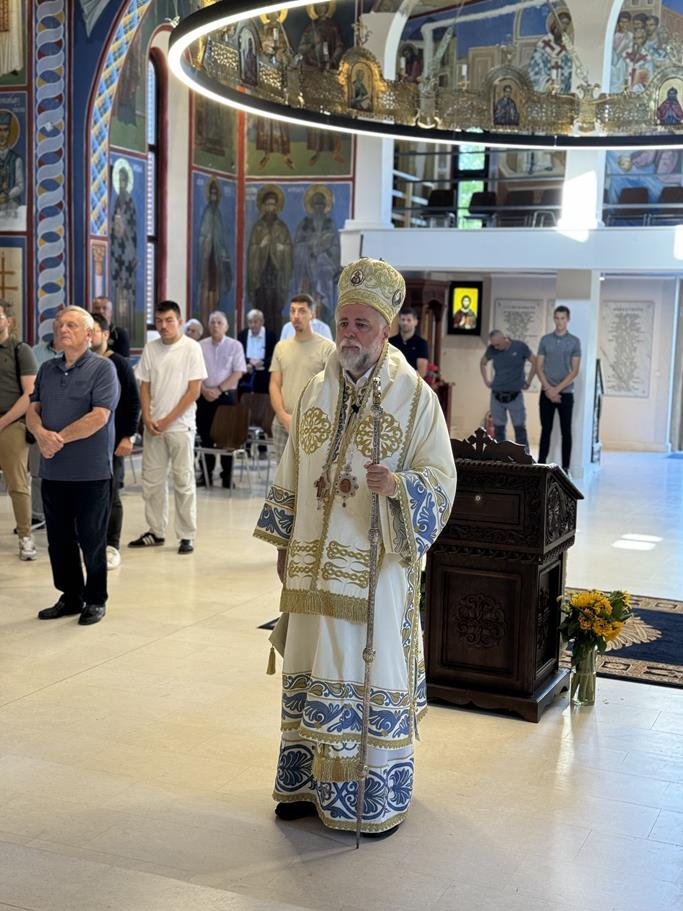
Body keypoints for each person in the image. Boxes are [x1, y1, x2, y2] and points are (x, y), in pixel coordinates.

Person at [254, 256, 457, 837]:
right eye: (344, 322)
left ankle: (371, 795)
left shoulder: (415, 399)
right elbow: (292, 468)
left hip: (375, 569)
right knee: (308, 662)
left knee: (365, 671)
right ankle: (304, 784)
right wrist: (282, 539)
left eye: (362, 324)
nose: (349, 334)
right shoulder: (315, 391)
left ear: (385, 329)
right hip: (312, 565)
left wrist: (398, 487)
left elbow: (442, 480)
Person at [27, 306, 119, 625]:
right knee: (59, 539)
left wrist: (58, 439)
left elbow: (100, 416)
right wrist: (41, 434)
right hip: (54, 471)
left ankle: (95, 599)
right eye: (59, 325)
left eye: (71, 325)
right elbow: (33, 408)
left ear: (89, 334)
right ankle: (70, 595)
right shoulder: (48, 369)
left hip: (90, 472)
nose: (63, 329)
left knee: (92, 539)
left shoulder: (103, 368)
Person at [129, 300, 207, 555]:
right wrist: (147, 418)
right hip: (153, 427)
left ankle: (186, 535)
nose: (163, 326)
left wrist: (167, 420)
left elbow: (193, 391)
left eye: (169, 320)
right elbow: (145, 386)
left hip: (180, 427)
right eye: (159, 321)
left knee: (183, 481)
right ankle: (156, 531)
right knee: (152, 482)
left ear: (180, 321)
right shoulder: (151, 348)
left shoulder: (192, 348)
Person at [90, 313, 141, 571]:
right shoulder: (82, 363)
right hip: (87, 440)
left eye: (93, 331)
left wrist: (127, 436)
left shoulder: (119, 363)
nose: (89, 336)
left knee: (111, 493)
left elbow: (133, 401)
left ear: (105, 335)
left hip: (113, 439)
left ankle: (111, 544)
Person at [269, 293, 335, 460]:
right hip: (283, 422)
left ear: (312, 314)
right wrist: (283, 416)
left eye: (302, 311)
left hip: (313, 423)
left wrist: (310, 419)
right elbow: (275, 384)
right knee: (282, 474)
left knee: (309, 473)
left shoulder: (327, 348)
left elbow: (332, 388)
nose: (296, 316)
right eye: (292, 311)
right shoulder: (281, 347)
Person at [0, 299, 38, 560]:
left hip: (11, 422)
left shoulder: (19, 350)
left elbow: (29, 393)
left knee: (17, 482)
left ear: (9, 321)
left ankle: (25, 537)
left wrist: (4, 421)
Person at [197, 310, 246, 487]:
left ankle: (227, 477)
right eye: (212, 322)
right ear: (208, 326)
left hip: (225, 397)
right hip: (204, 397)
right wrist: (204, 390)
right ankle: (205, 475)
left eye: (219, 323)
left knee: (227, 439)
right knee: (206, 437)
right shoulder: (200, 346)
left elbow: (238, 372)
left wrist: (218, 390)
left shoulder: (235, 346)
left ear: (226, 327)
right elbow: (194, 371)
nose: (215, 326)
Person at [536, 305, 581, 473]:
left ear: (568, 319)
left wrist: (557, 390)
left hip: (566, 393)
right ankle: (540, 465)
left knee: (566, 431)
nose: (559, 321)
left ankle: (566, 468)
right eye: (557, 318)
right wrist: (549, 389)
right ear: (554, 319)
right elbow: (539, 367)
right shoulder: (545, 340)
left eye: (563, 318)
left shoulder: (574, 341)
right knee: (545, 430)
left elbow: (574, 371)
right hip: (546, 392)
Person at [247, 187, 293, 334]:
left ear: (277, 206)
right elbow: (252, 249)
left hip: (276, 274)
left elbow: (288, 248)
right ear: (263, 206)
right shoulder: (258, 227)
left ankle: (276, 337)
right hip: (261, 274)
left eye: (273, 204)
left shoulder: (282, 227)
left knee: (275, 307)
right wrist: (260, 246)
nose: (270, 208)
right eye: (268, 204)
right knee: (262, 306)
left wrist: (282, 248)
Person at [292, 187, 341, 325]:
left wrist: (323, 253)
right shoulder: (304, 224)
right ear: (311, 206)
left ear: (325, 206)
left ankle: (322, 319)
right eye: (316, 204)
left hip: (324, 270)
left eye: (321, 204)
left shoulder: (330, 224)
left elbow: (335, 247)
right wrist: (309, 249)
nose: (318, 207)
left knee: (322, 296)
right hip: (307, 270)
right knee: (306, 296)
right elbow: (298, 246)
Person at [480, 330, 535, 450]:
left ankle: (524, 455)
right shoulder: (492, 349)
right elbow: (482, 363)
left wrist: (528, 382)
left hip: (515, 394)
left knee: (519, 428)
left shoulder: (520, 347)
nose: (496, 347)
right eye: (493, 345)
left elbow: (535, 362)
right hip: (497, 395)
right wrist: (486, 380)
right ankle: (500, 456)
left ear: (504, 338)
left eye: (498, 344)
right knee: (499, 429)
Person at [197, 179, 232, 327]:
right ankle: (205, 325)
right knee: (206, 291)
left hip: (216, 260)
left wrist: (222, 251)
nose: (213, 197)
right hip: (207, 259)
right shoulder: (207, 212)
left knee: (215, 293)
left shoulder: (217, 214)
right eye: (211, 194)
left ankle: (213, 320)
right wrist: (207, 242)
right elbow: (203, 235)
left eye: (215, 194)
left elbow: (220, 238)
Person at [109, 163, 137, 342]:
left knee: (126, 291)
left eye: (123, 181)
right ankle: (117, 327)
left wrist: (123, 227)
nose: (121, 184)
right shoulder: (116, 201)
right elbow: (113, 229)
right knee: (117, 290)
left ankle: (127, 330)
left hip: (127, 254)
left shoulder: (129, 202)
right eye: (118, 181)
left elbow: (132, 230)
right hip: (116, 254)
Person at [527, 7, 573, 94]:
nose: (564, 27)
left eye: (567, 24)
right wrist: (547, 84)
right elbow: (534, 72)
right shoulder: (543, 44)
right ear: (554, 23)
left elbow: (569, 71)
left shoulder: (567, 48)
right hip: (545, 92)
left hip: (562, 94)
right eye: (562, 23)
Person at [238, 308, 277, 395]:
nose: (252, 325)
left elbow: (274, 356)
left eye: (255, 322)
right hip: (246, 374)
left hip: (265, 375)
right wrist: (248, 362)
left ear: (262, 322)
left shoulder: (270, 335)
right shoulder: (242, 335)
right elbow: (238, 355)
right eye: (250, 322)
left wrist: (263, 362)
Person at [297, 3, 345, 70]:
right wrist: (312, 44)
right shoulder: (310, 27)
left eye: (322, 6)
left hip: (329, 66)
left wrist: (333, 60)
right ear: (314, 8)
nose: (320, 8)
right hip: (312, 66)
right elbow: (301, 48)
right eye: (317, 6)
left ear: (327, 7)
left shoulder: (333, 26)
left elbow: (340, 46)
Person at [389, 306, 429, 377]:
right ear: (399, 321)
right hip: (392, 379)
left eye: (409, 320)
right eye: (403, 319)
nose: (405, 323)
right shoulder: (391, 342)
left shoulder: (421, 343)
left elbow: (422, 372)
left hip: (412, 380)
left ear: (415, 322)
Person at [0, 110, 24, 223]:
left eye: (5, 130)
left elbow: (20, 186)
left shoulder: (16, 159)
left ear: (9, 132)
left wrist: (7, 195)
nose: (2, 135)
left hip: (12, 207)